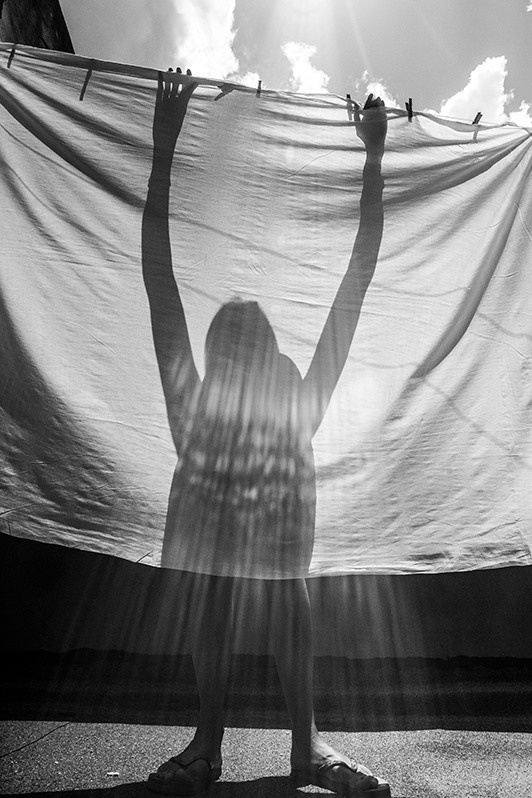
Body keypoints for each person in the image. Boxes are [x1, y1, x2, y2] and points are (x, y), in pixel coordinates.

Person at [142, 69, 390, 797]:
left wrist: (373, 156)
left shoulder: (294, 413)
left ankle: (299, 746)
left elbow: (356, 280)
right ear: (225, 365)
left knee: (287, 590)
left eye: (256, 338)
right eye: (238, 339)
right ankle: (210, 744)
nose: (253, 349)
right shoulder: (199, 415)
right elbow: (159, 280)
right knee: (220, 587)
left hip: (278, 563)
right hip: (214, 553)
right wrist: (163, 147)